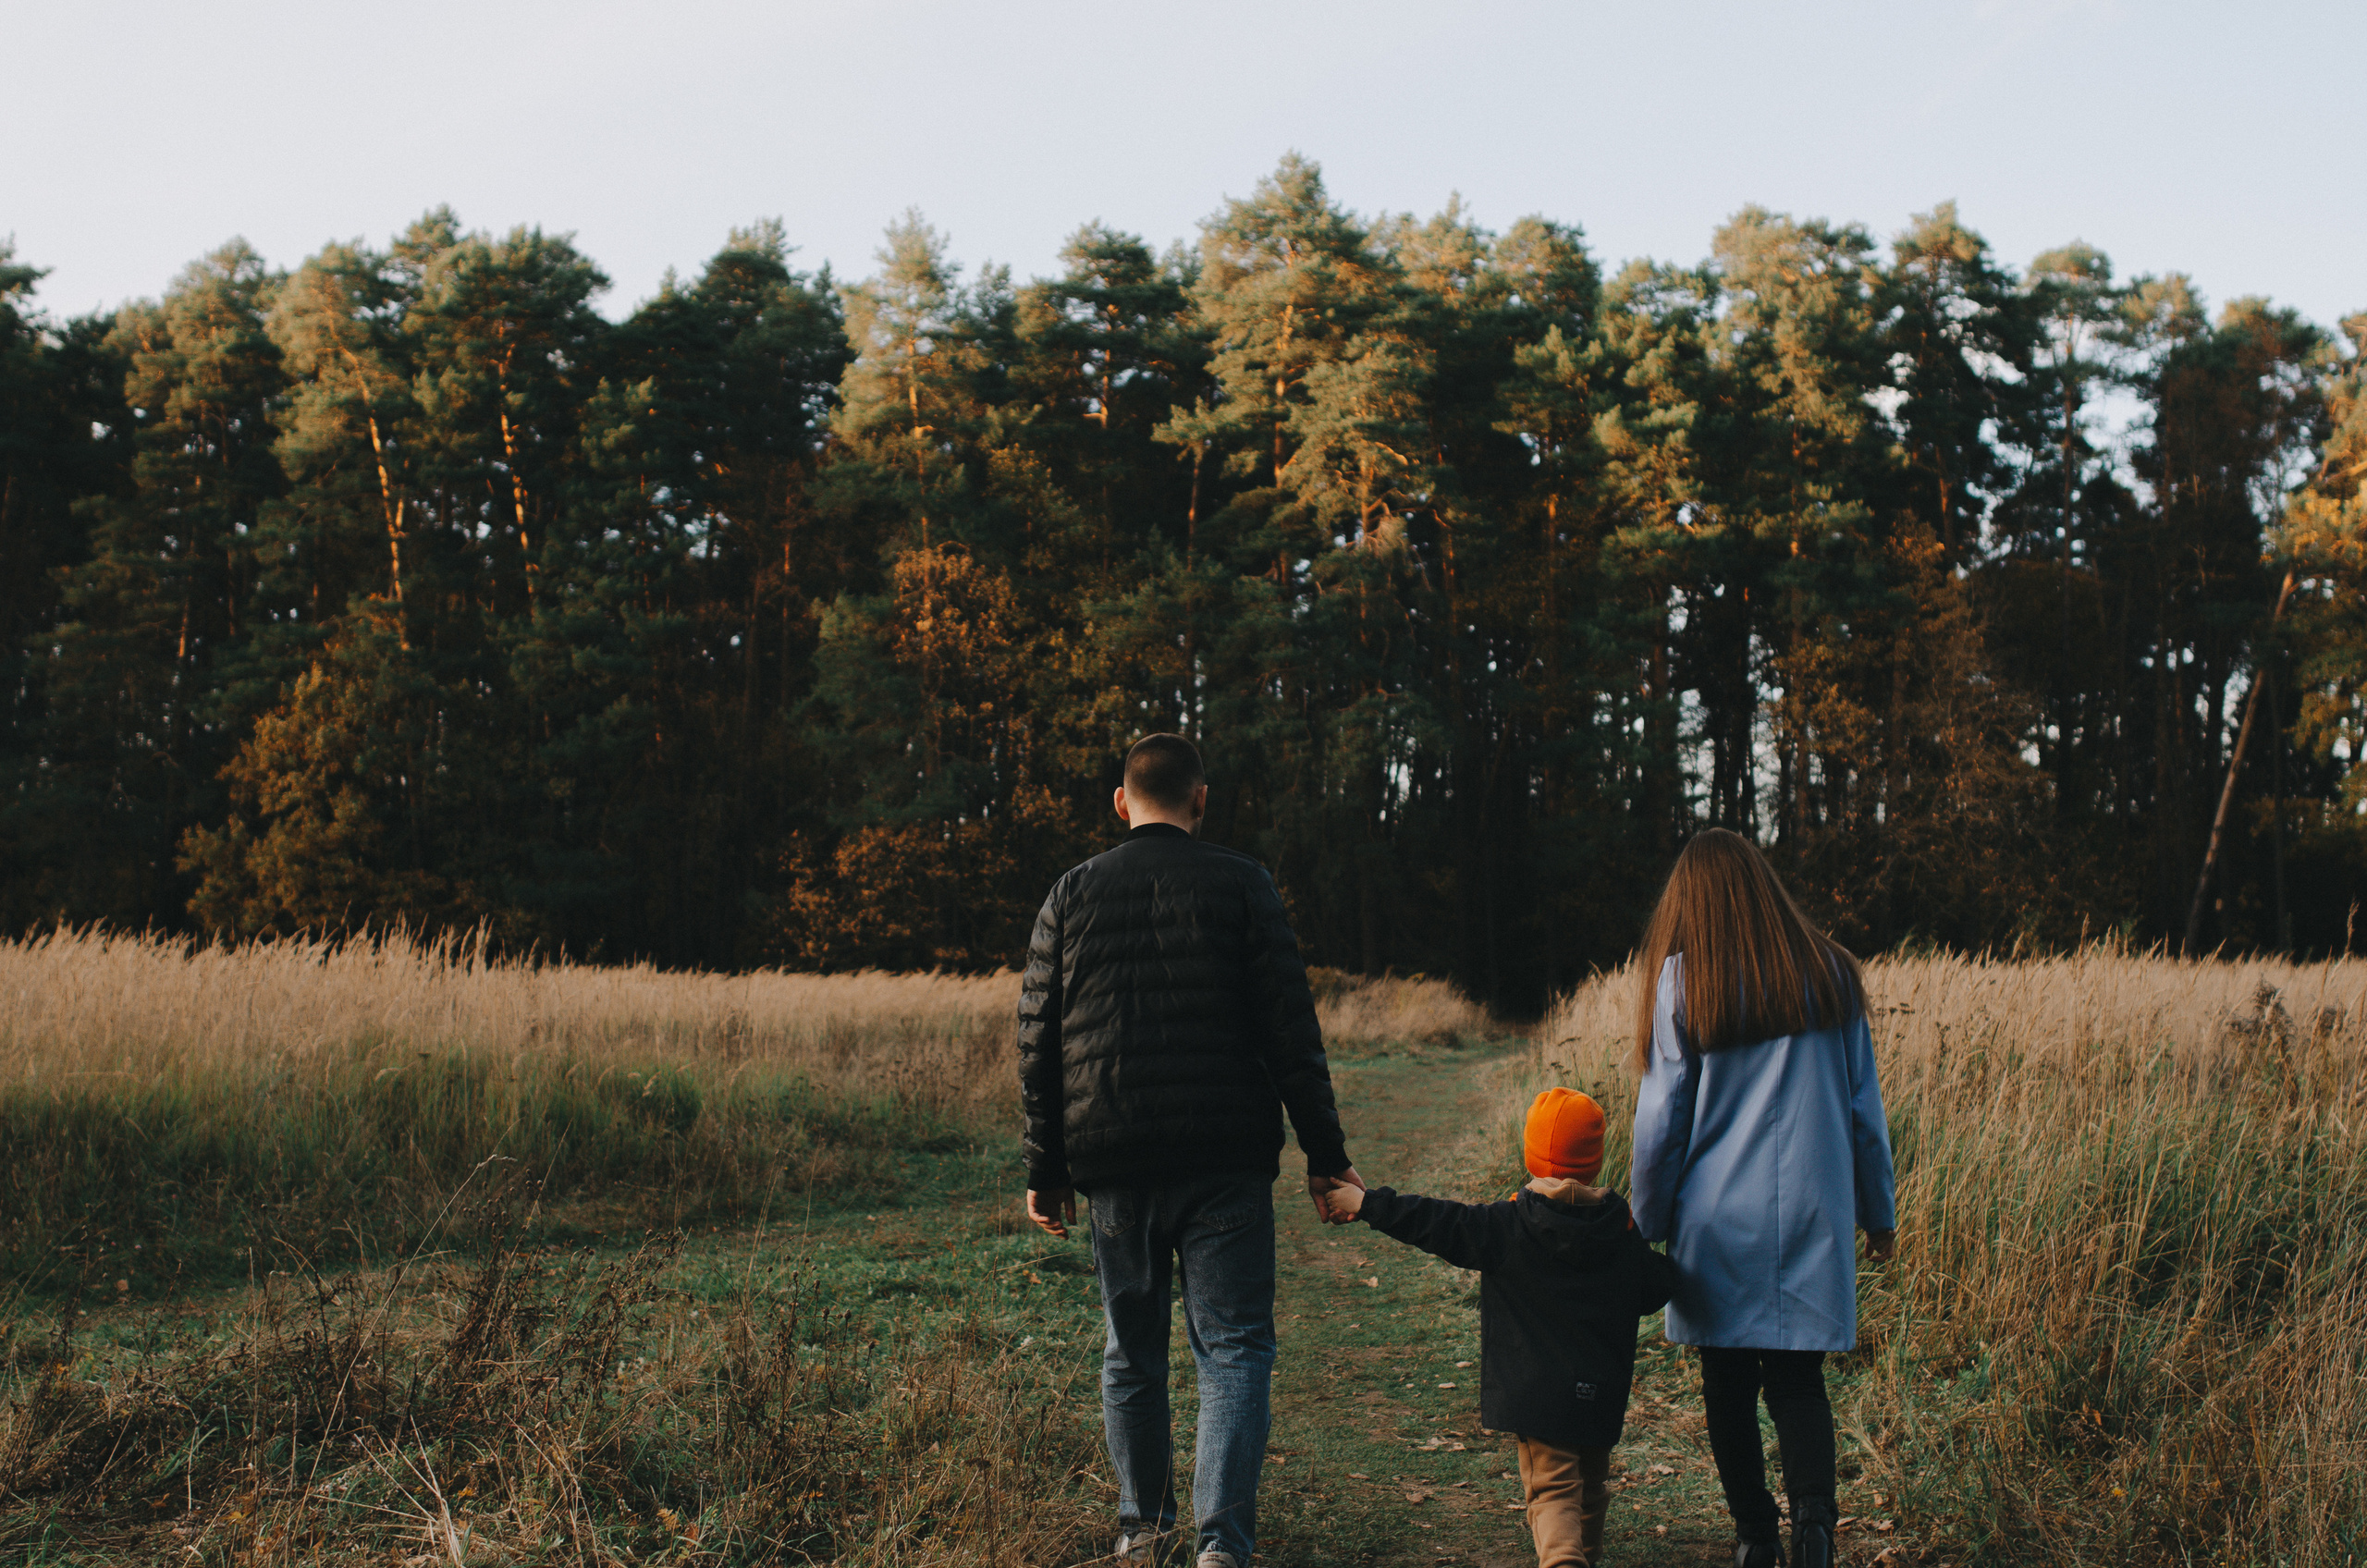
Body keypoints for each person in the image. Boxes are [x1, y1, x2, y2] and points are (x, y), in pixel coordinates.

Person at [1017, 732, 1363, 1568]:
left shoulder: (1071, 893)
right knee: (1236, 1346)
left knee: (1131, 1350)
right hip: (1224, 1157)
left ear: (1120, 802)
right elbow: (1291, 1030)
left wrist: (1046, 1168)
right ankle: (1220, 1548)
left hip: (1114, 1158)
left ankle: (1143, 1529)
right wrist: (1326, 1152)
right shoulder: (1244, 884)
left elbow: (1037, 1041)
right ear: (1200, 800)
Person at [1627, 829, 1897, 1568]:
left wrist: (1643, 1218)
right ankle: (1815, 1532)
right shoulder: (1832, 973)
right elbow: (1862, 1111)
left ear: (1693, 902)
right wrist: (1879, 1214)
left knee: (1726, 1382)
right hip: (1813, 1213)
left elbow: (1661, 1120)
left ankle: (1754, 1537)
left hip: (1716, 1221)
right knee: (1799, 1381)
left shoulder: (1685, 982)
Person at [1322, 1087, 1677, 1568]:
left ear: (1532, 1154)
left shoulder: (1508, 1224)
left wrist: (1368, 1204)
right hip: (1600, 1393)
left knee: (1553, 1492)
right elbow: (1653, 1291)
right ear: (1593, 1161)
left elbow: (1436, 1222)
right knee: (1590, 1491)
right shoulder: (1621, 1230)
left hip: (1538, 1396)